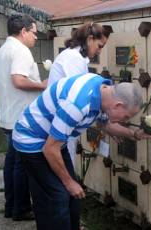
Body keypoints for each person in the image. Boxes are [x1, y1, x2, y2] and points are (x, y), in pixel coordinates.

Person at [12, 72, 151, 230]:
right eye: (126, 117)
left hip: (55, 141)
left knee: (72, 196)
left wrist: (134, 134)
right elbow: (50, 149)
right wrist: (69, 182)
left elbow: (105, 124)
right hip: (32, 140)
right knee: (57, 197)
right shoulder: (78, 105)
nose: (125, 121)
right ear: (118, 105)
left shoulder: (103, 91)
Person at [0, 14, 47, 221]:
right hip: (20, 118)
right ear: (23, 31)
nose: (35, 37)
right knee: (22, 165)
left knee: (11, 162)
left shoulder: (2, 51)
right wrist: (42, 85)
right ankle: (21, 209)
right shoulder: (21, 50)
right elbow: (18, 80)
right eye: (34, 32)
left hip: (7, 114)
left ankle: (11, 206)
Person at [47, 22, 111, 172]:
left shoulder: (75, 56)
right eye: (100, 46)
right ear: (90, 39)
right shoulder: (73, 59)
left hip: (63, 123)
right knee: (63, 176)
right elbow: (79, 95)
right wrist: (104, 119)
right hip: (59, 125)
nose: (100, 51)